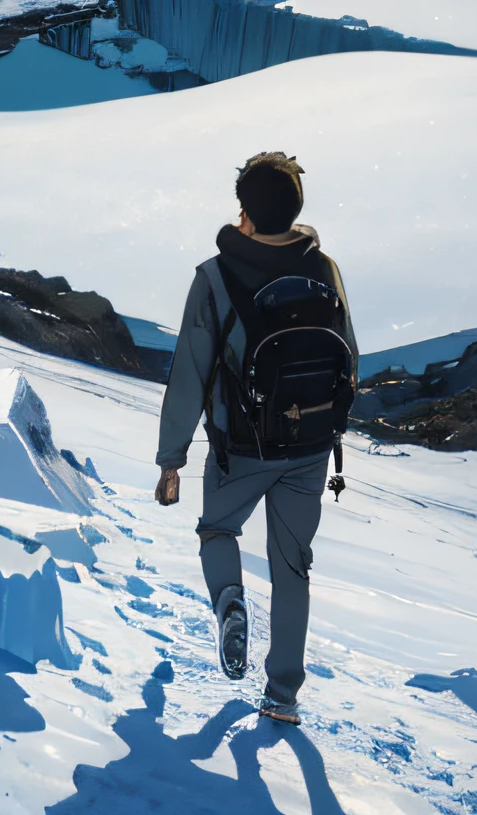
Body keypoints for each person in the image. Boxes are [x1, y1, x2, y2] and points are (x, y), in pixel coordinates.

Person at [154, 151, 357, 726]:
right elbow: (350, 359)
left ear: (243, 210)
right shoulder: (326, 270)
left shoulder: (215, 278)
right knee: (292, 565)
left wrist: (172, 460)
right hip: (312, 447)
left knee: (218, 529)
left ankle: (230, 602)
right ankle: (283, 696)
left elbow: (189, 375)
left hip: (240, 448)